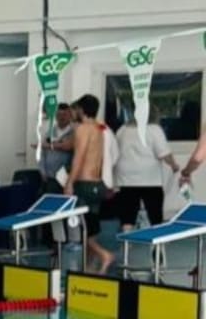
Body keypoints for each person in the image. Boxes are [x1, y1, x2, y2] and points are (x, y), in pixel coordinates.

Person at [65, 93, 114, 272]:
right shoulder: (99, 129)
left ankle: (104, 255)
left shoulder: (83, 129)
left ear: (81, 110)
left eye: (76, 109)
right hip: (97, 185)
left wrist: (69, 182)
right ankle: (89, 267)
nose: (74, 112)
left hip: (84, 185)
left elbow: (79, 157)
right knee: (91, 228)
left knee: (83, 229)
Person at [114, 113, 178, 233]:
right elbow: (164, 153)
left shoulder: (122, 129)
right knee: (155, 213)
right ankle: (158, 244)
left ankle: (127, 241)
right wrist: (174, 165)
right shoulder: (154, 129)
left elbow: (115, 150)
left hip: (126, 177)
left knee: (128, 213)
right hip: (150, 178)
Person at [40, 102, 77, 190]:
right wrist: (42, 171)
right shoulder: (50, 132)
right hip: (50, 178)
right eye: (59, 114)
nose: (61, 117)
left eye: (65, 114)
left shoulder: (75, 132)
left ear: (70, 116)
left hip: (67, 178)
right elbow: (42, 153)